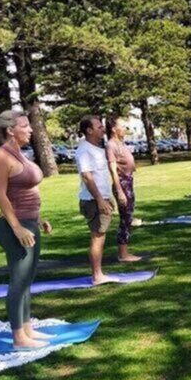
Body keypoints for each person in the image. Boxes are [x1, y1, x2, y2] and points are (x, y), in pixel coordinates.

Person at [0, 111, 53, 348]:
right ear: (10, 130)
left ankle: (27, 329)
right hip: (14, 227)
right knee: (18, 281)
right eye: (25, 126)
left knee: (26, 280)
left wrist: (39, 219)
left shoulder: (20, 154)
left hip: (30, 223)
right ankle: (18, 338)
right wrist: (17, 228)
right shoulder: (1, 157)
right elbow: (0, 195)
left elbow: (25, 192)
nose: (31, 129)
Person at [75, 116, 117, 285]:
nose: (103, 129)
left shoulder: (96, 149)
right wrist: (100, 200)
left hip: (101, 198)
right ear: (89, 130)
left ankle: (98, 274)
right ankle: (97, 276)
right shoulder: (84, 150)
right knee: (97, 238)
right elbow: (87, 177)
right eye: (99, 127)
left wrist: (108, 197)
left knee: (100, 236)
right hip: (93, 201)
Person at [105, 117, 141, 262]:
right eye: (123, 126)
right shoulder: (111, 145)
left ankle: (124, 252)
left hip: (128, 181)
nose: (125, 129)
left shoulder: (120, 143)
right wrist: (119, 191)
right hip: (122, 183)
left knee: (128, 217)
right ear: (114, 129)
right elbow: (113, 170)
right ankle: (123, 254)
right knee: (125, 218)